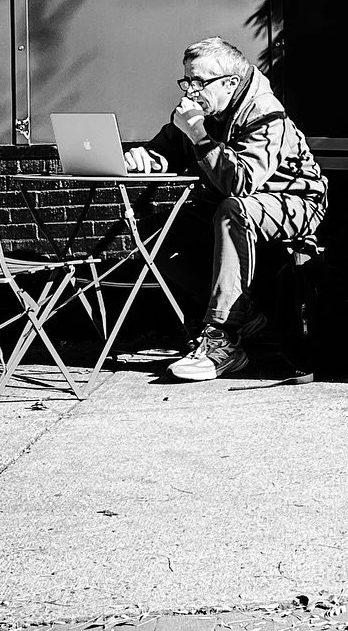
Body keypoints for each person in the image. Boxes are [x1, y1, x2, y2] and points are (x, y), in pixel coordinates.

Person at [124, 36, 327, 381]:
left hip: (296, 202)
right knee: (154, 233)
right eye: (186, 80)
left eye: (199, 82)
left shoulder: (266, 114)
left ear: (231, 83)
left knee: (234, 209)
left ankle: (222, 340)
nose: (190, 92)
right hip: (232, 206)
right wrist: (147, 158)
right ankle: (244, 315)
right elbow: (168, 148)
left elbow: (241, 183)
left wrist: (200, 136)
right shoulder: (204, 108)